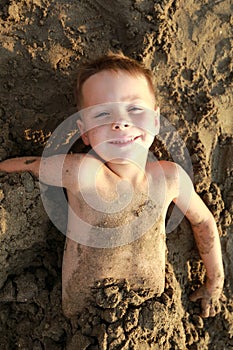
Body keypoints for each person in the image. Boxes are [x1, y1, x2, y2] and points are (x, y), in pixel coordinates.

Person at [0, 52, 224, 319]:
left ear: (155, 120)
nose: (120, 122)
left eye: (135, 109)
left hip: (148, 318)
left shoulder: (169, 178)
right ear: (84, 131)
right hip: (86, 321)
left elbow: (204, 222)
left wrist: (215, 282)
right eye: (103, 113)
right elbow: (26, 166)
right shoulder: (82, 172)